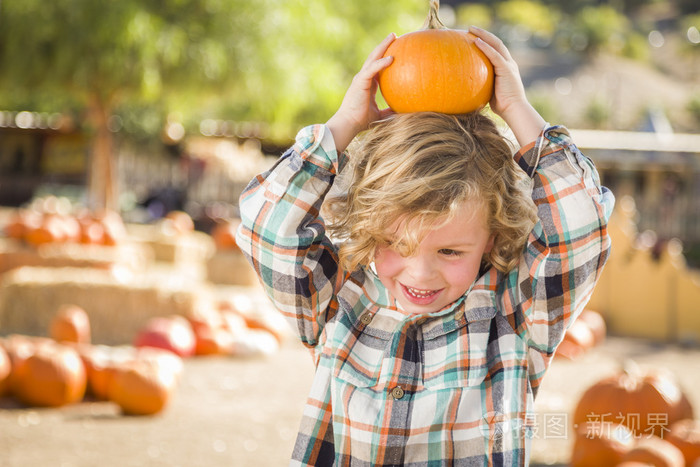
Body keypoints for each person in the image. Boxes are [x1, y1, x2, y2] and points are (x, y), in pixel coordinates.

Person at [236, 26, 614, 466]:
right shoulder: (337, 305)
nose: (419, 273)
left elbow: (581, 230)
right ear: (369, 226)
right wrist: (344, 125)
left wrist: (517, 110)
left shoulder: (515, 318)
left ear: (491, 236)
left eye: (450, 251)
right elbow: (267, 227)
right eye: (395, 243)